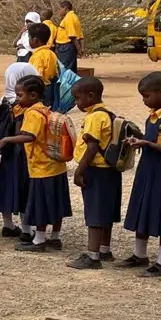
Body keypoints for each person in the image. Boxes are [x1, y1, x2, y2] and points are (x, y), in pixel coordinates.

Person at [0, 75, 71, 253]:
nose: (17, 99)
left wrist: (7, 139)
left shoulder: (32, 113)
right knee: (56, 202)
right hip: (56, 165)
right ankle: (55, 237)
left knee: (41, 204)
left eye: (20, 95)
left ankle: (38, 240)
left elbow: (30, 136)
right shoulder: (46, 110)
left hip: (41, 167)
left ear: (33, 95)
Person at [68, 77, 122, 269]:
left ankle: (93, 256)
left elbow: (92, 147)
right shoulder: (108, 113)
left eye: (78, 98)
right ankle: (104, 250)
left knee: (95, 214)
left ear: (90, 96)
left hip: (96, 170)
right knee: (107, 212)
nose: (77, 103)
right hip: (111, 171)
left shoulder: (94, 117)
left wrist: (79, 171)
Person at [0, 63, 38, 237]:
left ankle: (8, 225)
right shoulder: (26, 104)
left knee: (7, 185)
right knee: (24, 188)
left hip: (7, 152)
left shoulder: (4, 100)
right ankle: (27, 229)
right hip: (24, 152)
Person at [27, 22, 60, 108]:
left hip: (42, 91)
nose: (28, 40)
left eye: (29, 38)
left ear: (35, 40)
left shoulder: (38, 56)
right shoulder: (51, 53)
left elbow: (37, 76)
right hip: (51, 89)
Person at [55, 0, 84, 73]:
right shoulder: (73, 16)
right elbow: (80, 36)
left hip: (66, 47)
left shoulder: (69, 18)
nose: (59, 11)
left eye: (60, 9)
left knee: (65, 69)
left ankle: (66, 84)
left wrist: (79, 50)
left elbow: (72, 36)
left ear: (65, 8)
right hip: (68, 47)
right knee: (70, 70)